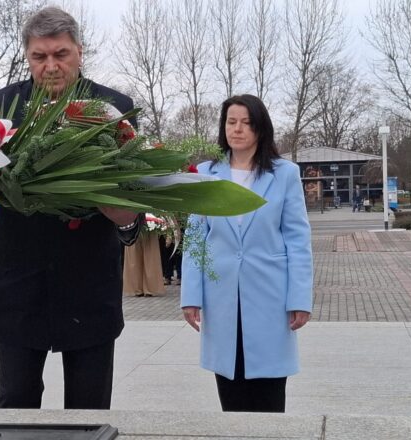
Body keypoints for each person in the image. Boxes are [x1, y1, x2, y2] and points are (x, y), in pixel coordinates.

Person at [0, 6, 141, 410]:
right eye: (40, 57)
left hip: (89, 281)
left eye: (61, 54)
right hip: (19, 283)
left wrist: (122, 212)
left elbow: (133, 206)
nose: (51, 66)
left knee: (90, 407)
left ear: (79, 51)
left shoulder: (114, 108)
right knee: (17, 402)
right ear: (27, 57)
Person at [181, 94, 313, 413]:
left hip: (270, 298)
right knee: (232, 398)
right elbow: (196, 238)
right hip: (222, 298)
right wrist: (190, 296)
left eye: (246, 122)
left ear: (260, 128)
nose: (237, 129)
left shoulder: (284, 174)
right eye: (231, 121)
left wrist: (299, 299)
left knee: (269, 400)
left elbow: (297, 240)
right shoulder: (206, 172)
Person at [123, 230, 164, 297]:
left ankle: (150, 288)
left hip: (150, 227)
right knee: (134, 257)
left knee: (150, 256)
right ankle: (137, 288)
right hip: (132, 227)